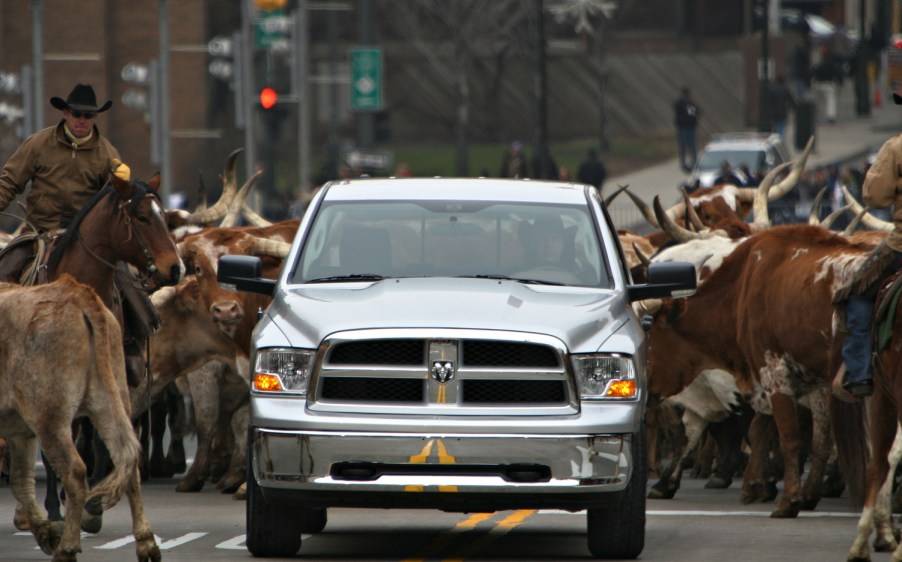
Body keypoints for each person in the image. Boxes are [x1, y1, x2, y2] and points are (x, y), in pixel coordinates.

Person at [837, 130, 902, 397]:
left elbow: (874, 197)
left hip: (900, 246)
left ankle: (859, 372)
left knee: (855, 292)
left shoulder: (897, 146)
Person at [812, 46, 843, 124]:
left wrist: (808, 83)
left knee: (818, 102)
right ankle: (831, 116)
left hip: (819, 84)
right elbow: (837, 74)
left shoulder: (818, 66)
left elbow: (812, 73)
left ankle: (817, 116)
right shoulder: (832, 66)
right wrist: (840, 82)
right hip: (829, 84)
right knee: (831, 101)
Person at [674, 87, 701, 173]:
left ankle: (694, 163)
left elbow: (694, 113)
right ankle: (684, 164)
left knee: (692, 146)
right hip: (683, 128)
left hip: (691, 128)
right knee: (683, 147)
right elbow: (677, 108)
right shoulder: (680, 104)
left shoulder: (691, 104)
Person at [769, 75, 795, 141]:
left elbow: (770, 102)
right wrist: (792, 107)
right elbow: (791, 100)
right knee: (782, 127)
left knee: (776, 127)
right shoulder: (785, 90)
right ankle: (780, 140)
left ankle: (778, 139)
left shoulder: (773, 90)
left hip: (774, 113)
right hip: (783, 112)